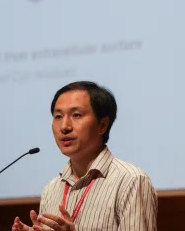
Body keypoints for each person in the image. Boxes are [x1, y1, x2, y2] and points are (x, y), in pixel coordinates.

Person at [12, 81, 157, 231]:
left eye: (76, 115)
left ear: (102, 125)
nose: (64, 127)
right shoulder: (52, 189)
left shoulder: (131, 181)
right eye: (58, 116)